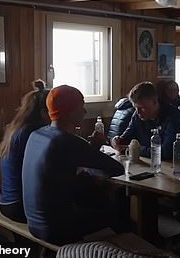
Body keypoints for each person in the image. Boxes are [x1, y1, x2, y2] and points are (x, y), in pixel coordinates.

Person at [22, 85, 126, 245]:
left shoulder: (37, 134)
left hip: (33, 223)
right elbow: (116, 168)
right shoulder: (65, 141)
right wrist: (97, 145)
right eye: (81, 106)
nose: (84, 112)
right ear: (69, 112)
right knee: (119, 215)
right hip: (56, 228)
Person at [0, 79, 50, 223]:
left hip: (7, 201)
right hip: (21, 207)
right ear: (44, 112)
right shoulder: (35, 133)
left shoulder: (15, 129)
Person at [111, 82, 180, 160]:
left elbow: (166, 152)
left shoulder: (174, 116)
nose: (138, 112)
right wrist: (116, 141)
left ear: (154, 101)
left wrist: (135, 149)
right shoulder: (137, 115)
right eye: (135, 108)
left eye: (142, 108)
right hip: (146, 161)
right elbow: (125, 139)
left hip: (169, 165)